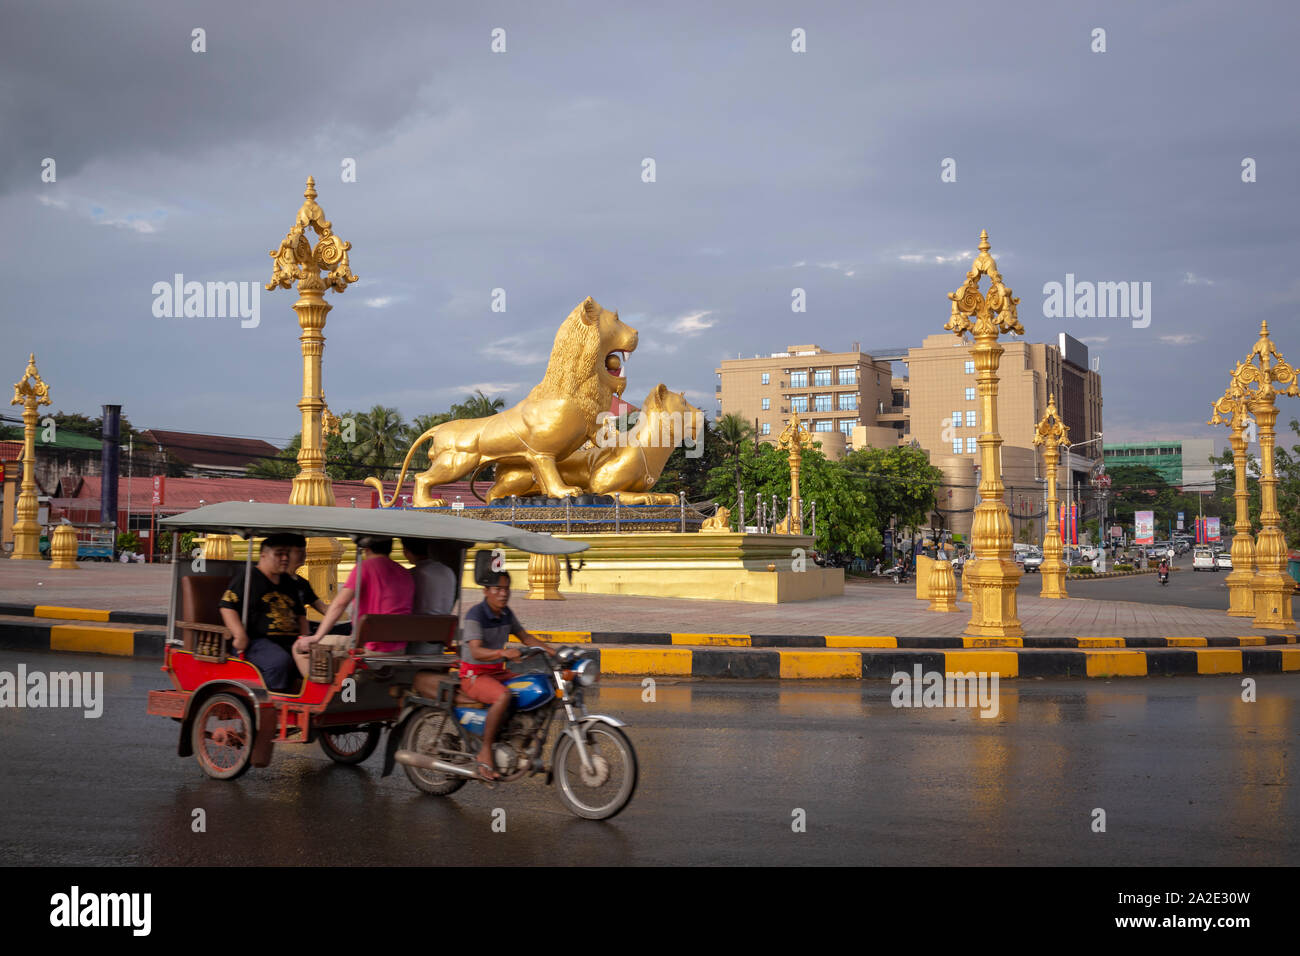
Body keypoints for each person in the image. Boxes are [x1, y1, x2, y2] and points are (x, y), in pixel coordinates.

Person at [459, 571, 557, 781]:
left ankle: (518, 739)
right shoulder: (475, 615)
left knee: (537, 685)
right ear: (486, 591)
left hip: (497, 672)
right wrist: (502, 653)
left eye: (506, 589)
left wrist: (554, 653)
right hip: (473, 674)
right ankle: (485, 750)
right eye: (498, 589)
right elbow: (475, 651)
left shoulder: (506, 614)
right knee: (503, 696)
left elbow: (526, 637)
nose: (503, 594)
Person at [293, 535, 415, 671]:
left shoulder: (364, 567)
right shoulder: (404, 572)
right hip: (399, 649)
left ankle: (313, 689)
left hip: (370, 649)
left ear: (366, 549)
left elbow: (340, 603)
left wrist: (316, 637)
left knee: (299, 646)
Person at [219, 533, 308, 693]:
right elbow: (227, 606)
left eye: (287, 554)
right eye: (279, 554)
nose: (285, 558)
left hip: (291, 641)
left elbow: (301, 616)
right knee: (279, 661)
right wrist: (240, 635)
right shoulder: (248, 578)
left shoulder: (288, 581)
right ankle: (272, 705)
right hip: (257, 642)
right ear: (264, 555)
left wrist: (306, 640)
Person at [401, 537, 457, 615]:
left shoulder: (412, 574)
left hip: (420, 624)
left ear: (405, 551)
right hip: (445, 623)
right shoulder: (448, 571)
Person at [286, 536, 328, 617]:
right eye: (298, 552)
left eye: (304, 552)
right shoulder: (276, 579)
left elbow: (323, 608)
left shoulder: (303, 583)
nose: (303, 556)